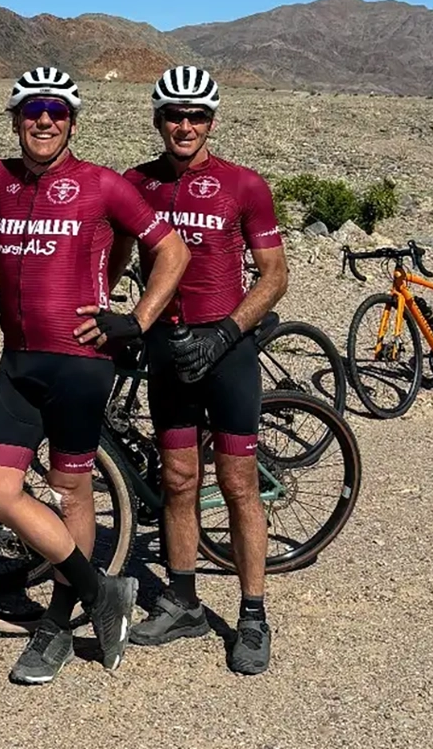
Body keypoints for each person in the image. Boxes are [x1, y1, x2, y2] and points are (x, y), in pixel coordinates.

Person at [0, 67, 190, 685]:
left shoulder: (101, 185)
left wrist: (137, 319)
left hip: (80, 362)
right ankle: (102, 591)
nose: (46, 119)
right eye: (34, 108)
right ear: (16, 118)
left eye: (58, 111)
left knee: (71, 493)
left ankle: (58, 625)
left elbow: (172, 250)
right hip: (18, 362)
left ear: (72, 121)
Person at [119, 66, 288, 675]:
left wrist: (227, 331)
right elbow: (107, 260)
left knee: (239, 484)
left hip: (228, 351)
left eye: (196, 116)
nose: (184, 126)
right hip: (168, 351)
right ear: (157, 120)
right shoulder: (135, 184)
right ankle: (184, 600)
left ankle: (252, 614)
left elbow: (274, 274)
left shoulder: (244, 185)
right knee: (179, 479)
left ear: (212, 121)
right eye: (173, 115)